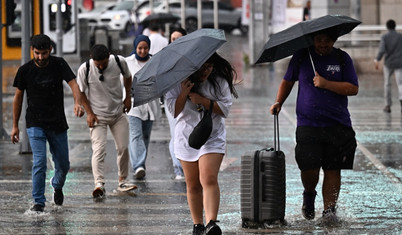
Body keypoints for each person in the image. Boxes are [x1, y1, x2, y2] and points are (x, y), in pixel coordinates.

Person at [269, 29, 358, 225]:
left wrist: (327, 84)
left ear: (334, 40)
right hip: (308, 124)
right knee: (309, 168)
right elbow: (288, 81)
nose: (323, 44)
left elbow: (353, 88)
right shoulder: (301, 56)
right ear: (313, 40)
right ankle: (309, 194)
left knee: (333, 169)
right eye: (319, 40)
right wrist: (278, 102)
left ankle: (329, 211)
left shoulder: (342, 58)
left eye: (327, 40)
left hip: (338, 124)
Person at [165, 52, 238, 235]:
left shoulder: (219, 81)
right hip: (187, 138)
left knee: (208, 178)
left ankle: (211, 223)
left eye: (209, 66)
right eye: (202, 67)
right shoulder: (175, 82)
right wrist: (184, 93)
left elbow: (225, 110)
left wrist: (203, 101)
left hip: (212, 136)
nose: (206, 71)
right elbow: (174, 112)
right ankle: (198, 225)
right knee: (193, 184)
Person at [11, 34, 84, 212]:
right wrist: (15, 126)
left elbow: (74, 84)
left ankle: (56, 185)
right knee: (40, 162)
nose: (41, 57)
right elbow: (18, 98)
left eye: (44, 53)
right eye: (37, 53)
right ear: (32, 51)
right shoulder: (25, 70)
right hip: (35, 123)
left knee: (63, 165)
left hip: (57, 122)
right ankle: (38, 202)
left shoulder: (59, 64)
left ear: (50, 50)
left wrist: (77, 102)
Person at [76, 44, 137, 198]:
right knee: (99, 150)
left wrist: (127, 97)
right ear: (92, 59)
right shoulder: (86, 68)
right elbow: (81, 92)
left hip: (117, 113)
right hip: (97, 116)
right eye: (98, 64)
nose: (101, 66)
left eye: (104, 62)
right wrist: (89, 113)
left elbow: (128, 77)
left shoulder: (118, 61)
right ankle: (99, 184)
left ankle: (123, 180)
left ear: (109, 56)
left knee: (123, 148)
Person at [125, 35, 161, 180]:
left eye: (145, 48)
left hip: (150, 104)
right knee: (135, 134)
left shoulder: (155, 61)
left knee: (145, 135)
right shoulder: (127, 62)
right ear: (135, 47)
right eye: (140, 48)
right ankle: (138, 165)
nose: (142, 51)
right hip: (133, 104)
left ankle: (141, 163)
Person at [166, 27, 187, 180]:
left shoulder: (191, 55)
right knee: (176, 132)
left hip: (190, 97)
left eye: (179, 39)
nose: (175, 42)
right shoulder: (166, 57)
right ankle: (178, 168)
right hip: (173, 97)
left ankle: (188, 163)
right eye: (173, 39)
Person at [374, 19, 402, 113]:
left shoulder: (384, 37)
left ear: (387, 27)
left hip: (388, 63)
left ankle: (388, 105)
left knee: (387, 84)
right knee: (400, 84)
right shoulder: (400, 37)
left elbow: (382, 50)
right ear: (395, 26)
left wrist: (377, 59)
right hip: (399, 63)